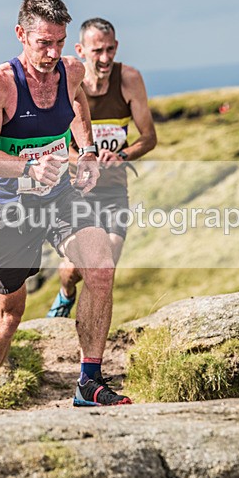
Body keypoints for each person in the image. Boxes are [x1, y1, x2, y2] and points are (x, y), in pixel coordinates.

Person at [0, 0, 131, 409]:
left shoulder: (71, 70)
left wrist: (89, 153)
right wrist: (27, 169)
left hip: (60, 197)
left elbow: (78, 105)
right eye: (43, 42)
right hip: (11, 208)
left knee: (100, 268)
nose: (52, 52)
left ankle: (89, 382)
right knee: (8, 316)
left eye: (59, 41)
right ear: (20, 34)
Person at [46, 17, 157, 318]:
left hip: (113, 192)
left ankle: (90, 344)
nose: (105, 58)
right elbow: (55, 144)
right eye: (97, 51)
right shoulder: (65, 83)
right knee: (75, 270)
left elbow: (149, 138)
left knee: (105, 269)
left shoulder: (130, 80)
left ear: (117, 46)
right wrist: (85, 158)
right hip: (75, 192)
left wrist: (121, 156)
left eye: (110, 49)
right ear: (81, 50)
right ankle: (65, 294)